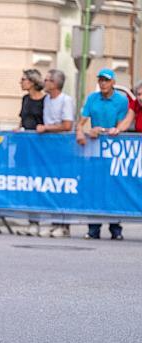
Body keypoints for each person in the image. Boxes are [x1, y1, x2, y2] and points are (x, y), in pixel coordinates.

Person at [76, 68, 129, 240]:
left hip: (113, 150)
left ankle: (115, 228)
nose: (103, 83)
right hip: (95, 149)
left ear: (113, 82)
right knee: (95, 187)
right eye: (100, 80)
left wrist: (105, 130)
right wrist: (83, 132)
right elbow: (82, 122)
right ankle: (93, 228)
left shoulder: (121, 100)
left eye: (106, 80)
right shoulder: (92, 98)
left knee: (114, 187)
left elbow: (120, 125)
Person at [36, 69, 75, 238]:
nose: (44, 82)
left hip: (63, 149)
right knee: (52, 185)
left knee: (62, 186)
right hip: (48, 150)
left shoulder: (66, 100)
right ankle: (54, 222)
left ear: (55, 84)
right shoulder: (46, 100)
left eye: (47, 80)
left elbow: (67, 125)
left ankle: (63, 224)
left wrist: (47, 128)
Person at [17, 69, 46, 236]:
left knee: (42, 183)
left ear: (32, 81)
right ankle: (32, 221)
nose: (21, 82)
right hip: (26, 146)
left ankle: (49, 220)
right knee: (29, 183)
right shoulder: (25, 99)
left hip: (41, 146)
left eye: (23, 79)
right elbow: (23, 120)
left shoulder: (45, 99)